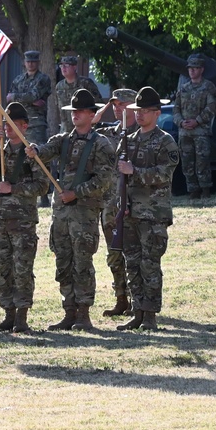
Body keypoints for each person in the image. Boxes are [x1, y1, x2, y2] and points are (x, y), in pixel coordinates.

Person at [26, 89, 115, 331]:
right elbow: (44, 151)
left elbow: (104, 180)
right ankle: (69, 312)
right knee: (63, 262)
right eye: (73, 111)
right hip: (61, 215)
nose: (75, 115)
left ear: (91, 114)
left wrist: (76, 193)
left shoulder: (101, 145)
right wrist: (33, 150)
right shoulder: (63, 139)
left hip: (84, 214)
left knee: (82, 262)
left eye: (80, 111)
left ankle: (84, 314)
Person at [0, 103, 50, 333]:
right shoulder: (0, 150)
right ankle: (8, 313)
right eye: (4, 124)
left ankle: (21, 317)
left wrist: (15, 189)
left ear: (24, 126)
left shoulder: (31, 153)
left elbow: (43, 186)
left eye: (12, 124)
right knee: (3, 269)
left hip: (23, 221)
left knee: (22, 269)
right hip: (0, 220)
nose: (7, 128)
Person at [117, 87, 179, 331]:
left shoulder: (165, 141)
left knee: (150, 264)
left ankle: (151, 315)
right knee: (132, 263)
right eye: (137, 110)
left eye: (145, 111)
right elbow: (120, 175)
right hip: (131, 212)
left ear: (157, 113)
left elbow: (165, 173)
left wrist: (135, 172)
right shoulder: (129, 140)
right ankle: (138, 311)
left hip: (153, 214)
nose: (140, 115)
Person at [92, 88, 138, 317]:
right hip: (111, 206)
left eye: (122, 104)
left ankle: (139, 301)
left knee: (135, 254)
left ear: (133, 106)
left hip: (137, 205)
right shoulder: (108, 134)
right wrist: (100, 113)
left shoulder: (143, 133)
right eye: (114, 105)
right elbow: (84, 128)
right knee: (114, 253)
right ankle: (121, 298)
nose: (117, 109)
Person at [172, 54, 216, 198]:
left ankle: (205, 189)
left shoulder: (208, 87)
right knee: (187, 163)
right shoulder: (184, 88)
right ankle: (193, 189)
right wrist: (181, 122)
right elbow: (176, 108)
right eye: (190, 68)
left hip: (201, 132)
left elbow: (212, 107)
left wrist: (197, 121)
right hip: (185, 133)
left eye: (195, 68)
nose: (192, 71)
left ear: (201, 69)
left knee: (202, 162)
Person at [6, 50, 52, 145]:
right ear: (24, 63)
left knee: (37, 153)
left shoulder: (43, 79)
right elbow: (9, 99)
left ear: (38, 63)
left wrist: (16, 96)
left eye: (33, 61)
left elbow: (32, 96)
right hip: (18, 123)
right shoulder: (18, 80)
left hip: (36, 124)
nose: (30, 64)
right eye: (28, 61)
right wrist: (30, 100)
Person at [54, 54, 103, 135]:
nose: (63, 68)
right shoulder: (59, 86)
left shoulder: (86, 83)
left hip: (85, 130)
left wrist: (92, 120)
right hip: (66, 131)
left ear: (74, 67)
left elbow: (99, 104)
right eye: (61, 66)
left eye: (66, 65)